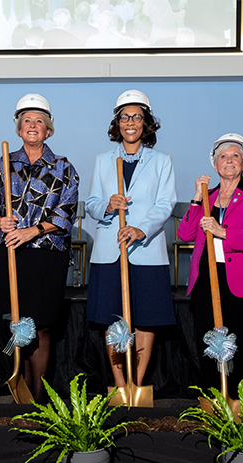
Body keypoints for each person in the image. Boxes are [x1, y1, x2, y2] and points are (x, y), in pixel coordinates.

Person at [0, 93, 79, 402]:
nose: (33, 126)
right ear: (19, 129)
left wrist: (30, 231)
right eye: (27, 121)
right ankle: (23, 393)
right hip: (12, 255)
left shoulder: (63, 167)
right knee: (19, 325)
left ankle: (39, 395)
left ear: (48, 130)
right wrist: (0, 222)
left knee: (43, 328)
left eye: (39, 122)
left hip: (47, 256)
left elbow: (66, 212)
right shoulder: (2, 165)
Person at [86, 89, 177, 389]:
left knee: (146, 319)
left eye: (137, 117)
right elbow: (92, 204)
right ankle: (119, 384)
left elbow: (165, 204)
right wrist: (108, 206)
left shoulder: (162, 161)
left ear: (146, 123)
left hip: (146, 251)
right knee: (114, 318)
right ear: (117, 123)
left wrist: (142, 229)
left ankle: (137, 384)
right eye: (124, 117)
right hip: (110, 251)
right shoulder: (102, 160)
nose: (130, 122)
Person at [177, 134, 243, 395]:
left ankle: (242, 402)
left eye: (235, 156)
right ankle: (212, 400)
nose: (229, 160)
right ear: (215, 164)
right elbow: (185, 234)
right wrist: (198, 199)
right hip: (206, 278)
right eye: (223, 156)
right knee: (208, 341)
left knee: (242, 344)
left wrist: (222, 232)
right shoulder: (207, 198)